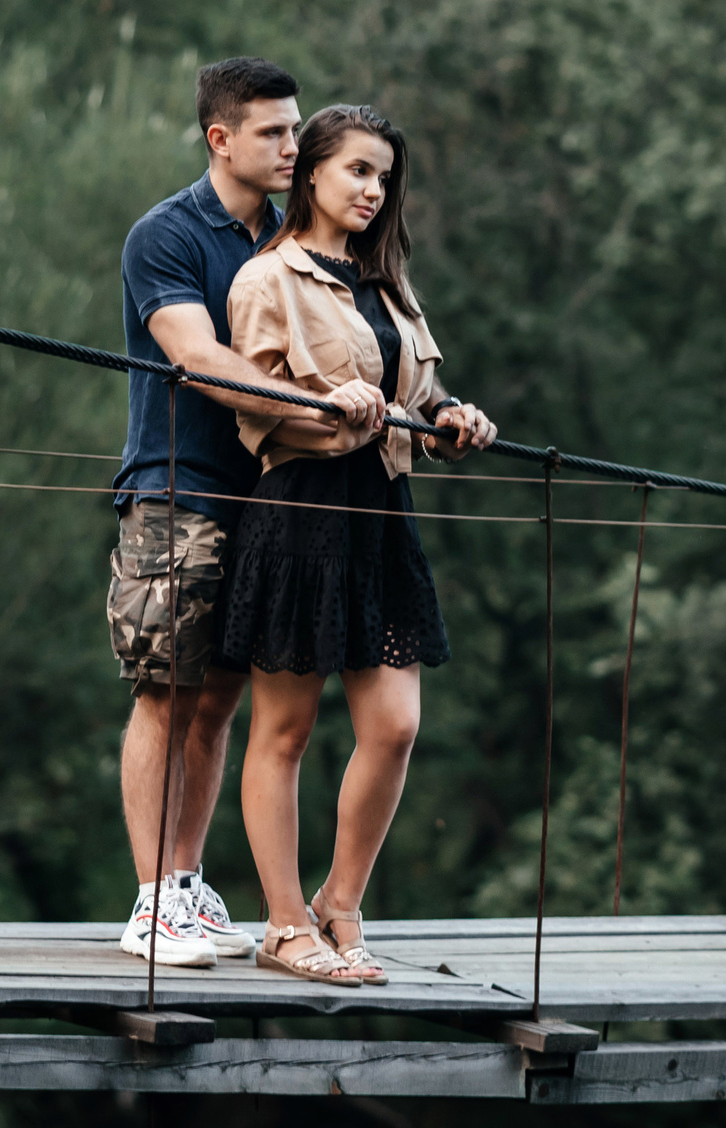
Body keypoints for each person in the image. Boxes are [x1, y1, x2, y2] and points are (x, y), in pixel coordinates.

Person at [105, 59, 391, 967]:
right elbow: (193, 353)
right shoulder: (168, 235)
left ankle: (188, 886)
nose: (292, 145)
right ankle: (151, 901)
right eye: (272, 132)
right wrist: (317, 402)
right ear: (220, 138)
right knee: (167, 691)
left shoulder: (291, 238)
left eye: (296, 129)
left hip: (274, 499)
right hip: (178, 488)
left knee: (222, 700)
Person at [218, 104, 496, 984]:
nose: (375, 191)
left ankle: (342, 904)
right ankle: (286, 925)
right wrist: (323, 402)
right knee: (287, 729)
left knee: (396, 724)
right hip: (300, 510)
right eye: (358, 172)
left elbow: (422, 388)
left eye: (384, 177)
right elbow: (249, 403)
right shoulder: (268, 279)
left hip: (383, 512)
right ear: (312, 175)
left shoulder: (390, 286)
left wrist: (452, 418)